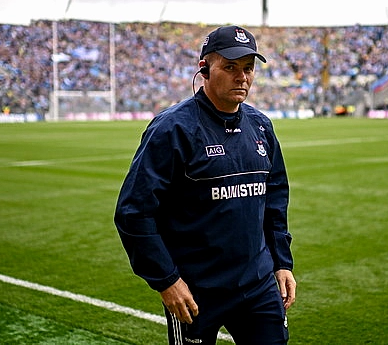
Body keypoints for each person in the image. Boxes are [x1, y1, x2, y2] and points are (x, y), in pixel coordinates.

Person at [114, 25, 296, 345]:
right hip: (196, 292)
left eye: (248, 68)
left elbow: (275, 199)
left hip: (258, 285)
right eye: (230, 67)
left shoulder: (262, 127)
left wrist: (282, 262)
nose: (242, 77)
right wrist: (166, 280)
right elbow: (134, 212)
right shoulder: (172, 128)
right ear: (204, 70)